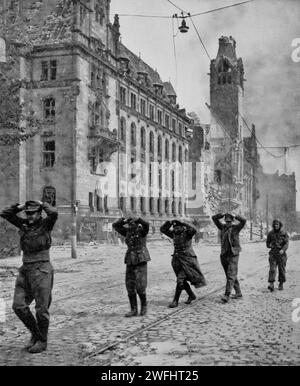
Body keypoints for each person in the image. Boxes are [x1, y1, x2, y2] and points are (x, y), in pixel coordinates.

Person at [0, 200, 58, 353]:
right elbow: (4, 213)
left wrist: (42, 203)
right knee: (18, 306)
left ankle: (42, 341)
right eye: (28, 213)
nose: (30, 216)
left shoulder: (46, 224)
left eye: (33, 213)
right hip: (25, 269)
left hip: (41, 268)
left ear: (39, 213)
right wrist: (19, 206)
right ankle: (36, 334)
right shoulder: (23, 224)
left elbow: (54, 213)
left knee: (41, 309)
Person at [160, 220, 206, 308]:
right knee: (182, 281)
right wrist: (169, 223)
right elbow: (163, 229)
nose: (176, 229)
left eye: (178, 227)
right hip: (177, 261)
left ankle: (175, 301)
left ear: (182, 227)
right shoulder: (174, 234)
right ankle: (191, 295)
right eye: (174, 228)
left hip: (188, 260)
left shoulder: (188, 233)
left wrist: (183, 222)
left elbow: (194, 229)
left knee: (180, 280)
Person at [113, 217, 150, 317]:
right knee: (130, 286)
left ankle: (144, 307)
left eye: (133, 224)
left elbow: (147, 224)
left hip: (141, 259)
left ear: (137, 224)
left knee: (140, 287)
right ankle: (133, 309)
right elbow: (115, 226)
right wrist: (123, 220)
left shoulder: (142, 231)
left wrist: (139, 219)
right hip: (130, 260)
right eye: (129, 224)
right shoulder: (127, 232)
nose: (130, 226)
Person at [212, 213, 246, 303]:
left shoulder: (236, 228)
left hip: (233, 254)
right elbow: (214, 218)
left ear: (232, 221)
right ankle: (238, 292)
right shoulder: (222, 227)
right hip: (224, 254)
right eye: (226, 221)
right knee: (230, 274)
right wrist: (221, 215)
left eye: (229, 221)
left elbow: (244, 221)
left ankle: (226, 295)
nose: (228, 223)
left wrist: (236, 215)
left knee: (231, 274)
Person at [266, 219, 289, 291]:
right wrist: (270, 245)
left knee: (281, 270)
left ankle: (281, 283)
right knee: (272, 269)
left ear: (280, 225)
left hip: (281, 254)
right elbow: (267, 243)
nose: (276, 226)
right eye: (275, 224)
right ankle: (271, 284)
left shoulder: (284, 233)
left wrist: (283, 249)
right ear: (273, 225)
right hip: (273, 254)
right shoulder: (270, 233)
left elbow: (286, 243)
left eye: (277, 224)